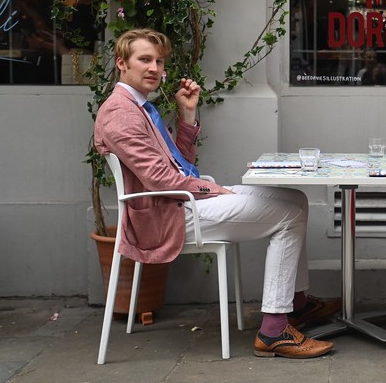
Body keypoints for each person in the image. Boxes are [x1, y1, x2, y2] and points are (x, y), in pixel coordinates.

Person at [93, 28, 338, 359]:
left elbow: (181, 165)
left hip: (181, 201)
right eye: (145, 60)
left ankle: (296, 304)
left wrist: (187, 114)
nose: (154, 68)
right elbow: (159, 179)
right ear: (122, 63)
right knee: (289, 212)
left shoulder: (141, 107)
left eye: (159, 61)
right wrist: (209, 189)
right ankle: (274, 330)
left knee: (295, 199)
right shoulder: (121, 112)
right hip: (169, 214)